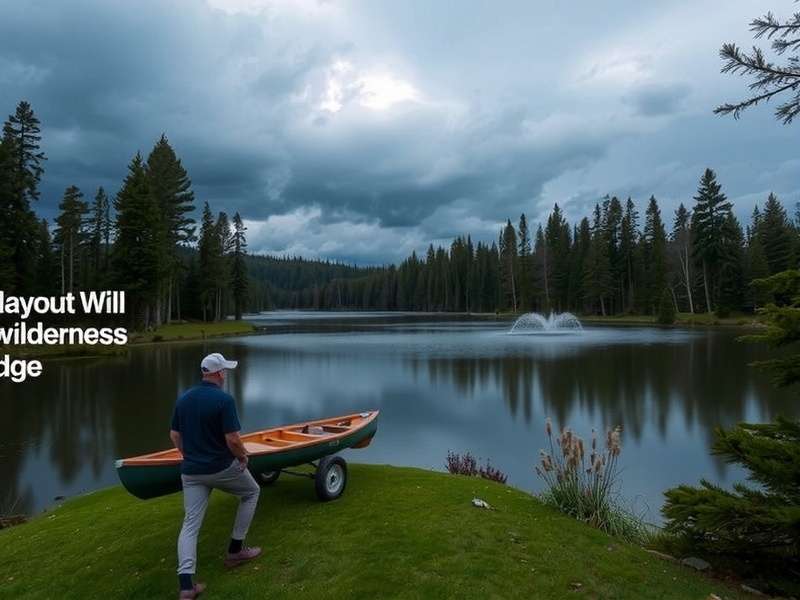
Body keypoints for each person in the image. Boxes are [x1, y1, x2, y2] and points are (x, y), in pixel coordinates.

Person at [170, 352, 262, 599]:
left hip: (191, 472)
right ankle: (235, 551)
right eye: (226, 371)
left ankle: (187, 586)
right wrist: (242, 457)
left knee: (190, 524)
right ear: (219, 373)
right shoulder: (224, 400)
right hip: (221, 468)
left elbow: (175, 436)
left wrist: (188, 454)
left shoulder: (184, 398)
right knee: (252, 492)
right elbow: (232, 439)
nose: (226, 375)